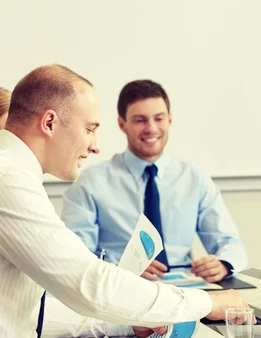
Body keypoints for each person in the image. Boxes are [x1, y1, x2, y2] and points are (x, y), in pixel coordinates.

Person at [0, 65, 248, 338]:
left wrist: (125, 323)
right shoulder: (8, 178)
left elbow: (32, 311)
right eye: (89, 129)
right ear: (49, 123)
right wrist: (206, 303)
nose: (95, 145)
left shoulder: (15, 174)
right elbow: (87, 282)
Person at [61, 79, 247, 283]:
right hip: (120, 288)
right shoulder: (90, 182)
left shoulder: (195, 179)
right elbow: (76, 257)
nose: (151, 128)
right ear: (122, 124)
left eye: (159, 118)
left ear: (170, 120)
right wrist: (121, 270)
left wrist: (223, 264)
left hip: (185, 289)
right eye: (140, 120)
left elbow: (230, 243)